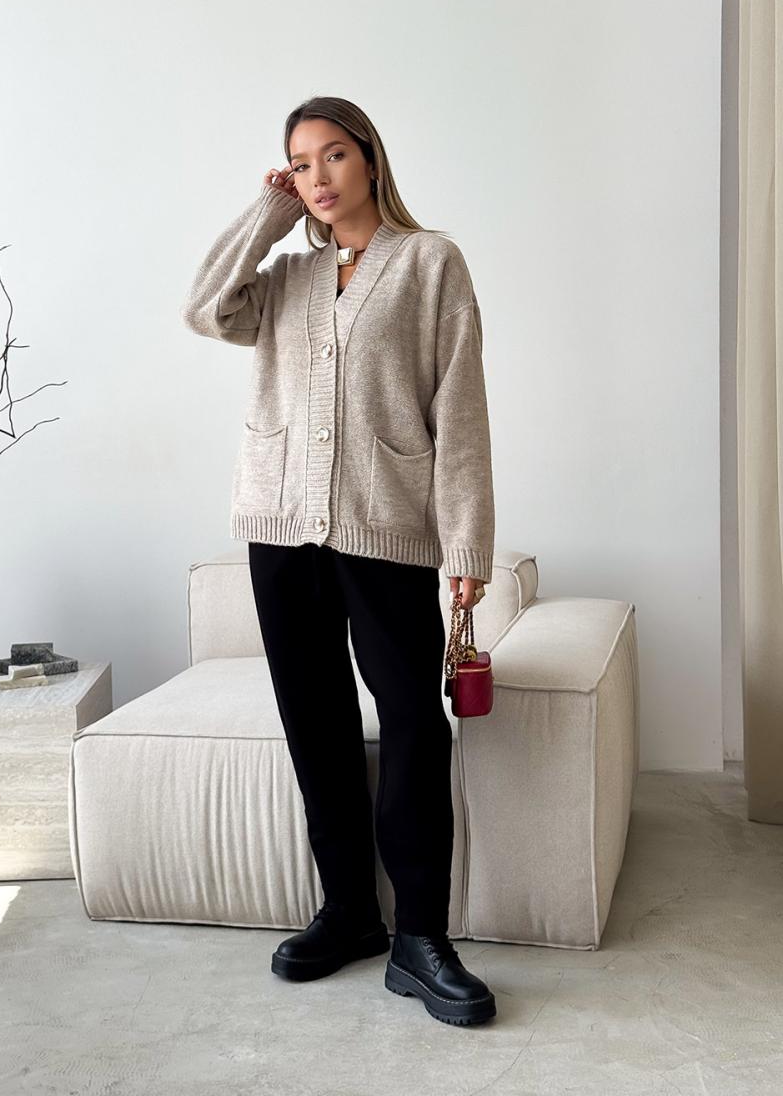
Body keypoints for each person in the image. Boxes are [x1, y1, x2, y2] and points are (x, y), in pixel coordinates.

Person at [183, 96, 497, 1027]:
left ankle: (421, 939)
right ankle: (350, 912)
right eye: (298, 164)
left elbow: (460, 409)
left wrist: (466, 541)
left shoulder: (430, 261)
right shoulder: (285, 275)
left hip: (384, 529)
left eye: (331, 157)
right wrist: (269, 213)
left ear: (369, 160)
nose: (316, 177)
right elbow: (203, 309)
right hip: (281, 532)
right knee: (314, 723)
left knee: (413, 725)